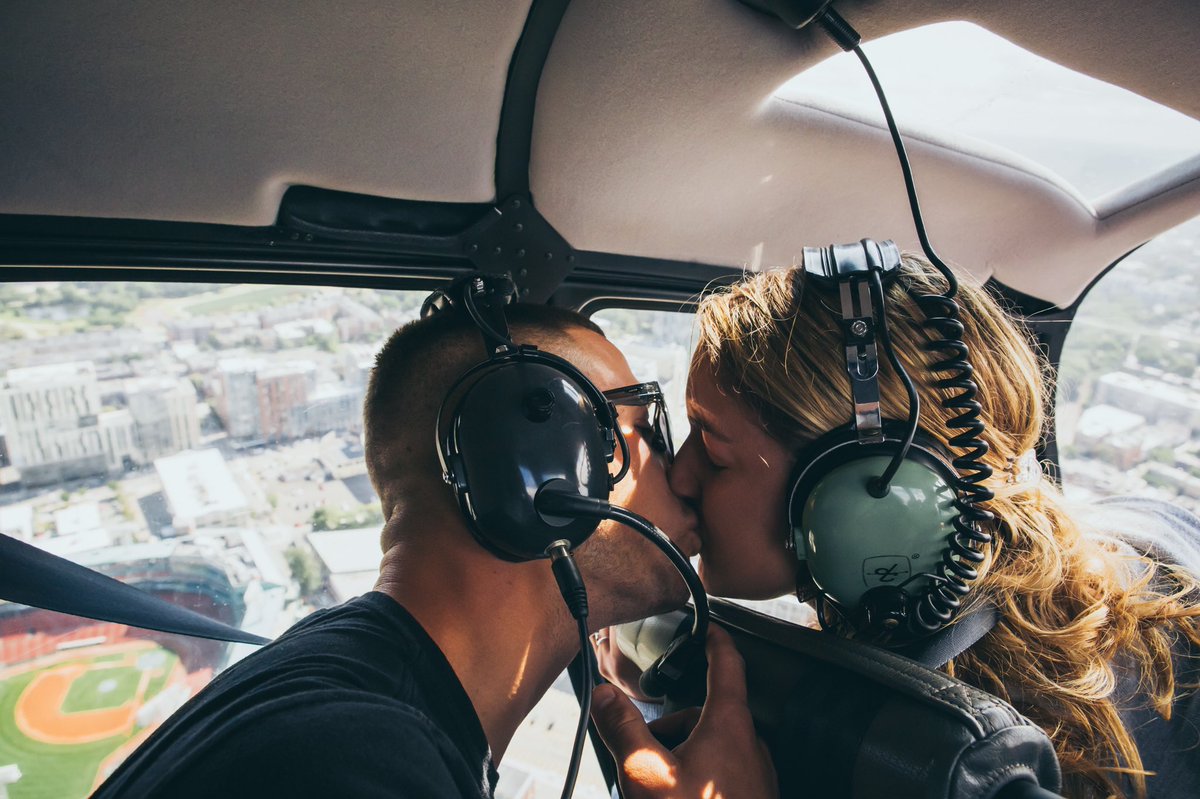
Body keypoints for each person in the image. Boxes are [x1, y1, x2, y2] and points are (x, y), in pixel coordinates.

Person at [91, 301, 776, 799]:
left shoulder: (346, 686)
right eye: (643, 430)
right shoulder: (352, 768)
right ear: (541, 470)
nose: (682, 473)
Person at [649, 250, 1200, 799]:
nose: (679, 475)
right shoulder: (1151, 549)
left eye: (715, 454)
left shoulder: (943, 761)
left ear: (865, 495)